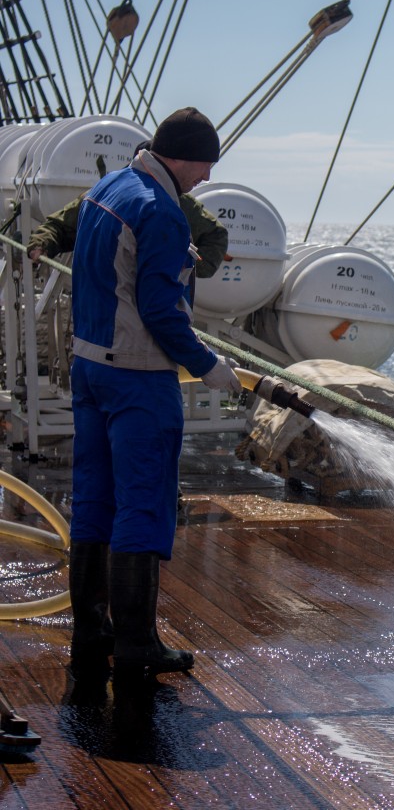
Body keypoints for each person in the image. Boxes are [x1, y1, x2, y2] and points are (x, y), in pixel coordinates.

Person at [68, 107, 241, 683]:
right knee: (144, 501)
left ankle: (92, 629)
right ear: (184, 156)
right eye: (206, 165)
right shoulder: (161, 213)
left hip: (90, 368)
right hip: (138, 378)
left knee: (95, 499)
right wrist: (208, 366)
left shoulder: (109, 188)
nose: (207, 178)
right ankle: (139, 642)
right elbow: (161, 312)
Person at [27, 147, 229, 283]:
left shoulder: (181, 205)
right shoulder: (102, 196)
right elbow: (60, 226)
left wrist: (183, 269)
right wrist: (42, 245)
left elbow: (216, 236)